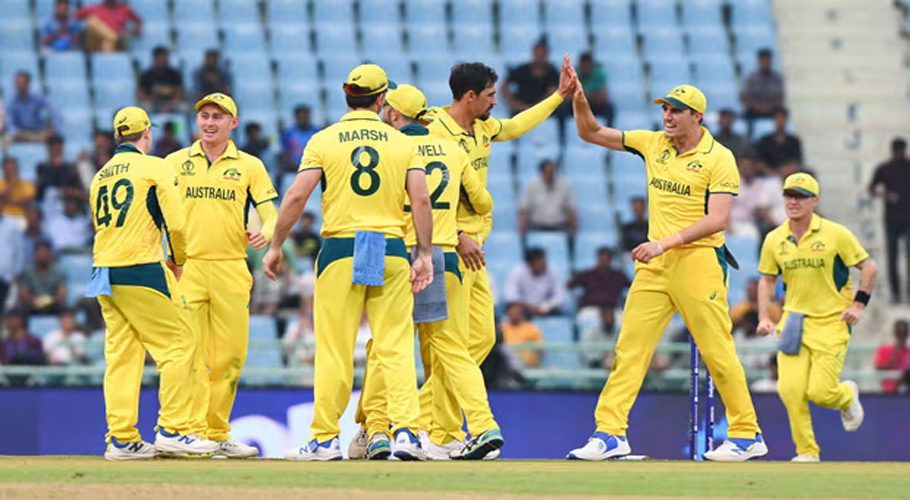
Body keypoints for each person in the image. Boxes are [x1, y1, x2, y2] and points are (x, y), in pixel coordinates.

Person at [566, 77, 766, 461]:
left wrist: (665, 242)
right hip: (655, 266)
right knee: (630, 350)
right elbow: (589, 131)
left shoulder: (719, 157)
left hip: (699, 262)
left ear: (698, 117)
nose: (667, 116)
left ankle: (746, 433)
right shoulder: (652, 143)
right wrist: (579, 98)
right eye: (665, 109)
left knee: (717, 351)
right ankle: (610, 434)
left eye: (676, 111)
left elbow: (718, 220)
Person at [262, 64, 435, 461]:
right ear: (381, 100)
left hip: (341, 248)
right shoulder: (401, 143)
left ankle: (324, 438)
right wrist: (423, 253)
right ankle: (407, 433)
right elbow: (421, 200)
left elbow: (295, 197)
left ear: (346, 95)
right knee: (393, 346)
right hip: (390, 246)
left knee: (334, 349)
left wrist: (275, 246)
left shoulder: (323, 140)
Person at [422, 57, 575, 445]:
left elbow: (516, 125)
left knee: (484, 339)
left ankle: (417, 415)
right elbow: (419, 195)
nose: (495, 103)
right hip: (448, 244)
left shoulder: (484, 127)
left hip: (477, 248)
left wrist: (559, 96)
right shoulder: (431, 131)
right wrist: (456, 234)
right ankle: (438, 430)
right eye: (490, 96)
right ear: (469, 95)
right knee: (454, 344)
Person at [350, 83, 501, 461]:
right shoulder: (452, 148)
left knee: (387, 344)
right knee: (451, 347)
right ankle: (484, 425)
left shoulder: (391, 147)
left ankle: (378, 431)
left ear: (395, 115)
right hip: (443, 254)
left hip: (397, 253)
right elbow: (483, 201)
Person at [89, 106, 217, 460]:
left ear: (118, 137)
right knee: (179, 344)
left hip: (104, 271)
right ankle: (174, 430)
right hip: (141, 266)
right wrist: (178, 258)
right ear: (147, 134)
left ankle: (121, 438)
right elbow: (175, 222)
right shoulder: (155, 166)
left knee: (122, 357)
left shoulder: (100, 175)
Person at [165, 93, 277, 459]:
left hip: (231, 267)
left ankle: (216, 432)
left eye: (218, 117)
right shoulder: (174, 163)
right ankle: (189, 432)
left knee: (229, 358)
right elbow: (155, 212)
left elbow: (269, 211)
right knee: (190, 355)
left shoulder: (249, 166)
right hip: (188, 267)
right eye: (204, 116)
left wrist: (269, 231)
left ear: (234, 123)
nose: (209, 123)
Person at [756, 172, 876, 462]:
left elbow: (868, 267)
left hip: (832, 322)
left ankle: (846, 396)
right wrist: (764, 315)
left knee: (821, 392)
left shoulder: (835, 233)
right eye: (788, 195)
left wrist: (858, 305)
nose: (793, 201)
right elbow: (767, 280)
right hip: (794, 322)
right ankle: (807, 451)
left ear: (815, 201)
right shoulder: (775, 238)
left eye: (800, 196)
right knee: (790, 389)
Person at [867, 138, 910, 303]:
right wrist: (884, 195)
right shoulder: (885, 168)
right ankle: (896, 293)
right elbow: (871, 188)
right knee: (892, 259)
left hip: (907, 219)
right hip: (892, 219)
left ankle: (906, 293)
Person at [518, 159, 577, 236]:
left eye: (552, 173)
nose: (550, 175)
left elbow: (571, 210)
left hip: (559, 228)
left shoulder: (565, 185)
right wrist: (521, 232)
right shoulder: (531, 186)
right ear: (541, 173)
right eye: (548, 173)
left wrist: (574, 231)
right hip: (537, 228)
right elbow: (525, 210)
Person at [501, 40, 559, 115]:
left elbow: (552, 93)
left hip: (542, 110)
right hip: (520, 108)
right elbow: (504, 87)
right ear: (533, 53)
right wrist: (513, 104)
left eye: (542, 54)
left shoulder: (552, 72)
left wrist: (535, 107)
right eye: (538, 54)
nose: (540, 57)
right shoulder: (522, 70)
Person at [504, 247, 566, 316]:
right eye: (540, 261)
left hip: (547, 310)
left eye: (544, 260)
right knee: (512, 310)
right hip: (524, 309)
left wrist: (544, 308)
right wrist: (528, 306)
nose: (544, 264)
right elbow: (511, 296)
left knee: (564, 310)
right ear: (530, 263)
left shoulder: (552, 271)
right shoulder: (517, 272)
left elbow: (560, 296)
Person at [17, 240, 67, 315]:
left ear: (50, 255)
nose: (42, 257)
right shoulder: (27, 272)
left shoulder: (59, 273)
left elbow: (62, 293)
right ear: (35, 255)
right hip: (32, 304)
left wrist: (49, 301)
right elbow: (23, 293)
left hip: (53, 305)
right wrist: (35, 300)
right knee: (18, 312)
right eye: (40, 255)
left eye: (45, 255)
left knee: (66, 311)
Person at [6, 72, 58, 143]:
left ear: (28, 84)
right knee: (6, 139)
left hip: (36, 132)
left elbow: (53, 109)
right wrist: (16, 132)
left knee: (53, 137)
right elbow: (9, 122)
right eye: (17, 83)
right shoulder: (11, 101)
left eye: (21, 83)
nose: (18, 86)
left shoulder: (37, 97)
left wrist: (54, 125)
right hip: (20, 134)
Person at [36, 134, 83, 210]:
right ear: (48, 149)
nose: (56, 150)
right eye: (53, 147)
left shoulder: (70, 168)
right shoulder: (42, 168)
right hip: (49, 204)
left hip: (67, 203)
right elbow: (41, 191)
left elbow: (76, 189)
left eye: (58, 147)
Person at [75, 0, 141, 52]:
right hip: (94, 45)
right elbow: (76, 16)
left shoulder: (124, 9)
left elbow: (138, 20)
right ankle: (114, 38)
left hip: (110, 47)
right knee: (92, 21)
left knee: (107, 44)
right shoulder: (95, 8)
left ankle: (112, 40)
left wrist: (138, 27)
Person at [741, 48, 784, 126]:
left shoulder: (777, 78)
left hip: (771, 109)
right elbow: (745, 97)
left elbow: (779, 97)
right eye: (763, 60)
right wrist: (757, 106)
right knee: (745, 115)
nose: (765, 63)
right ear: (759, 61)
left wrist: (768, 107)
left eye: (767, 60)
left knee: (781, 113)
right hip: (754, 110)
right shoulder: (751, 78)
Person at [754, 107, 802, 173]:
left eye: (782, 119)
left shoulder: (794, 141)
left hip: (788, 175)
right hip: (768, 177)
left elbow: (797, 161)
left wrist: (785, 171)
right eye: (778, 118)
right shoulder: (765, 141)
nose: (780, 122)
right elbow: (760, 163)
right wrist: (773, 173)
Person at [138, 46, 184, 113]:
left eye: (164, 58)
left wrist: (170, 104)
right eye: (160, 58)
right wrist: (151, 99)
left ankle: (178, 123)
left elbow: (180, 93)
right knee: (144, 107)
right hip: (152, 103)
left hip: (171, 103)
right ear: (155, 59)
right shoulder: (146, 75)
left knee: (183, 107)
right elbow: (140, 94)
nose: (163, 60)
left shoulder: (174, 74)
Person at [500, 302, 544, 368]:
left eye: (517, 312)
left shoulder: (531, 328)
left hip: (527, 365)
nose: (515, 314)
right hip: (506, 365)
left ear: (521, 313)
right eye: (512, 312)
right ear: (508, 313)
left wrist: (536, 362)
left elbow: (540, 348)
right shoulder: (501, 328)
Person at [0, 201, 24, 316]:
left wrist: (17, 271)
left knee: (4, 308)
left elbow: (18, 249)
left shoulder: (11, 225)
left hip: (5, 275)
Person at [576, 52, 614, 126]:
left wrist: (585, 94)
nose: (585, 68)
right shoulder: (574, 74)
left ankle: (610, 133)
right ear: (580, 65)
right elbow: (568, 95)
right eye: (584, 65)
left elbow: (604, 95)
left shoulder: (598, 74)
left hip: (594, 104)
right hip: (579, 106)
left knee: (609, 108)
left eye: (587, 65)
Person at [874, 319, 910, 393]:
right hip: (890, 393)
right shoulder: (884, 349)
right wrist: (894, 356)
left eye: (904, 333)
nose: (901, 336)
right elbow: (878, 368)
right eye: (899, 333)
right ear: (895, 333)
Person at [281, 105, 319, 172]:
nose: (303, 119)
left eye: (305, 116)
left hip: (313, 168)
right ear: (296, 117)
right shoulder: (288, 134)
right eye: (301, 117)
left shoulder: (317, 133)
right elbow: (285, 153)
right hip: (293, 169)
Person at [0, 157, 37, 225]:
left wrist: (7, 201)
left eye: (14, 169)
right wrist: (11, 184)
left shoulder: (27, 183)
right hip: (4, 217)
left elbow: (28, 201)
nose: (12, 171)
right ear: (4, 169)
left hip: (22, 216)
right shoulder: (1, 183)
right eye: (9, 169)